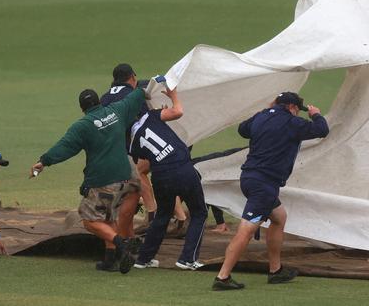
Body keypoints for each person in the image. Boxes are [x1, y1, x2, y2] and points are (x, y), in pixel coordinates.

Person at [212, 92, 329, 291]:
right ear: (292, 107)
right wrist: (315, 114)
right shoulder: (292, 123)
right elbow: (322, 129)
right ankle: (222, 277)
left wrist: (268, 110)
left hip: (249, 178)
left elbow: (242, 129)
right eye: (297, 110)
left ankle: (276, 270)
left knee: (279, 217)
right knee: (246, 230)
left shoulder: (261, 116)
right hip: (263, 184)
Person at [30, 86, 145, 274]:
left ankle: (122, 244)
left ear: (82, 108)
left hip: (106, 180)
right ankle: (111, 260)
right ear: (99, 101)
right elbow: (136, 96)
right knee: (108, 215)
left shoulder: (83, 126)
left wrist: (44, 161)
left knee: (89, 220)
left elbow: (64, 147)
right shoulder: (116, 110)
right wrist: (149, 85)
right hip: (129, 176)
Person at [130, 87, 208, 270]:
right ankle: (187, 258)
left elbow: (145, 157)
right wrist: (173, 96)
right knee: (199, 212)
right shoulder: (153, 115)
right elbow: (178, 111)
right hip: (182, 167)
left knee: (162, 216)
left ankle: (143, 259)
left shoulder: (133, 136)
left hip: (160, 175)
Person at [100, 63, 157, 240]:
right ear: (132, 77)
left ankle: (126, 234)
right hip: (127, 153)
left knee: (120, 194)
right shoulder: (133, 95)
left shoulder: (104, 98)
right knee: (132, 192)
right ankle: (147, 221)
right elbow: (145, 122)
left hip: (106, 154)